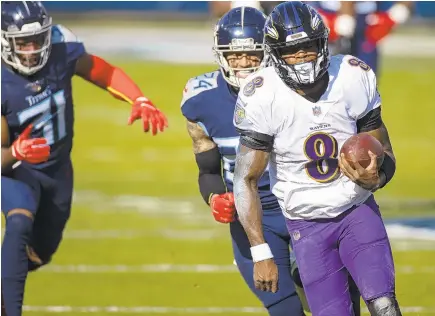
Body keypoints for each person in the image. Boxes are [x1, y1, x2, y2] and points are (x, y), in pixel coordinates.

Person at [1, 2, 168, 315]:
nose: (33, 49)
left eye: (38, 39)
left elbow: (105, 72)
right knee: (20, 222)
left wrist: (139, 98)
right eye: (24, 42)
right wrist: (15, 153)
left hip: (58, 169)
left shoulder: (61, 53)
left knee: (38, 254)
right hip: (17, 170)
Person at [233, 2, 399, 316]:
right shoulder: (263, 94)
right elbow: (246, 179)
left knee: (384, 306)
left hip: (356, 209)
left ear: (322, 42)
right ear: (276, 54)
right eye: (292, 51)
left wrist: (377, 178)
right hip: (306, 224)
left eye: (308, 47)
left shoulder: (351, 75)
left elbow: (386, 150)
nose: (302, 57)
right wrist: (260, 251)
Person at [180, 6, 305, 316]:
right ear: (220, 55)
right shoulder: (200, 100)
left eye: (251, 55)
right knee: (285, 310)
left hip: (303, 205)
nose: (243, 64)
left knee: (336, 305)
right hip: (252, 217)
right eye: (235, 56)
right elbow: (208, 170)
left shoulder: (294, 88)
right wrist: (214, 197)